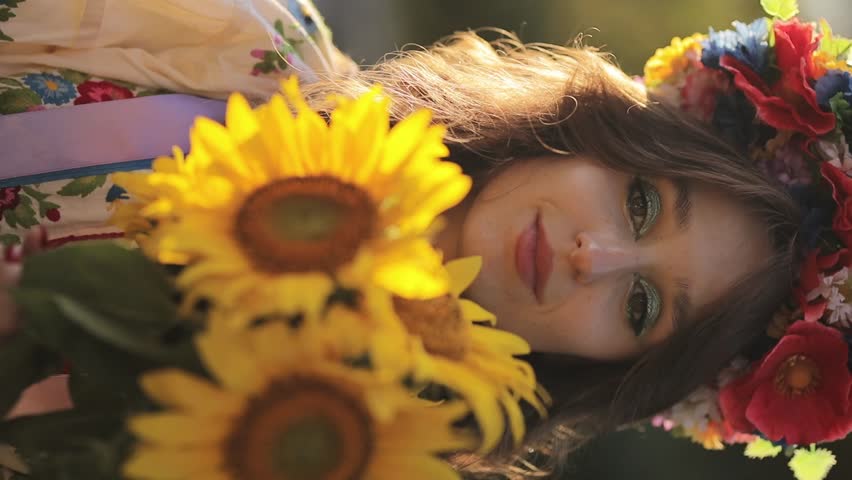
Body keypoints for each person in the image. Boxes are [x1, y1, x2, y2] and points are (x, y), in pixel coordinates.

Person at [0, 1, 811, 479]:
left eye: (642, 305)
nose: (595, 258)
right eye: (640, 203)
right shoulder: (233, 41)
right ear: (593, 134)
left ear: (599, 368)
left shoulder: (330, 456)